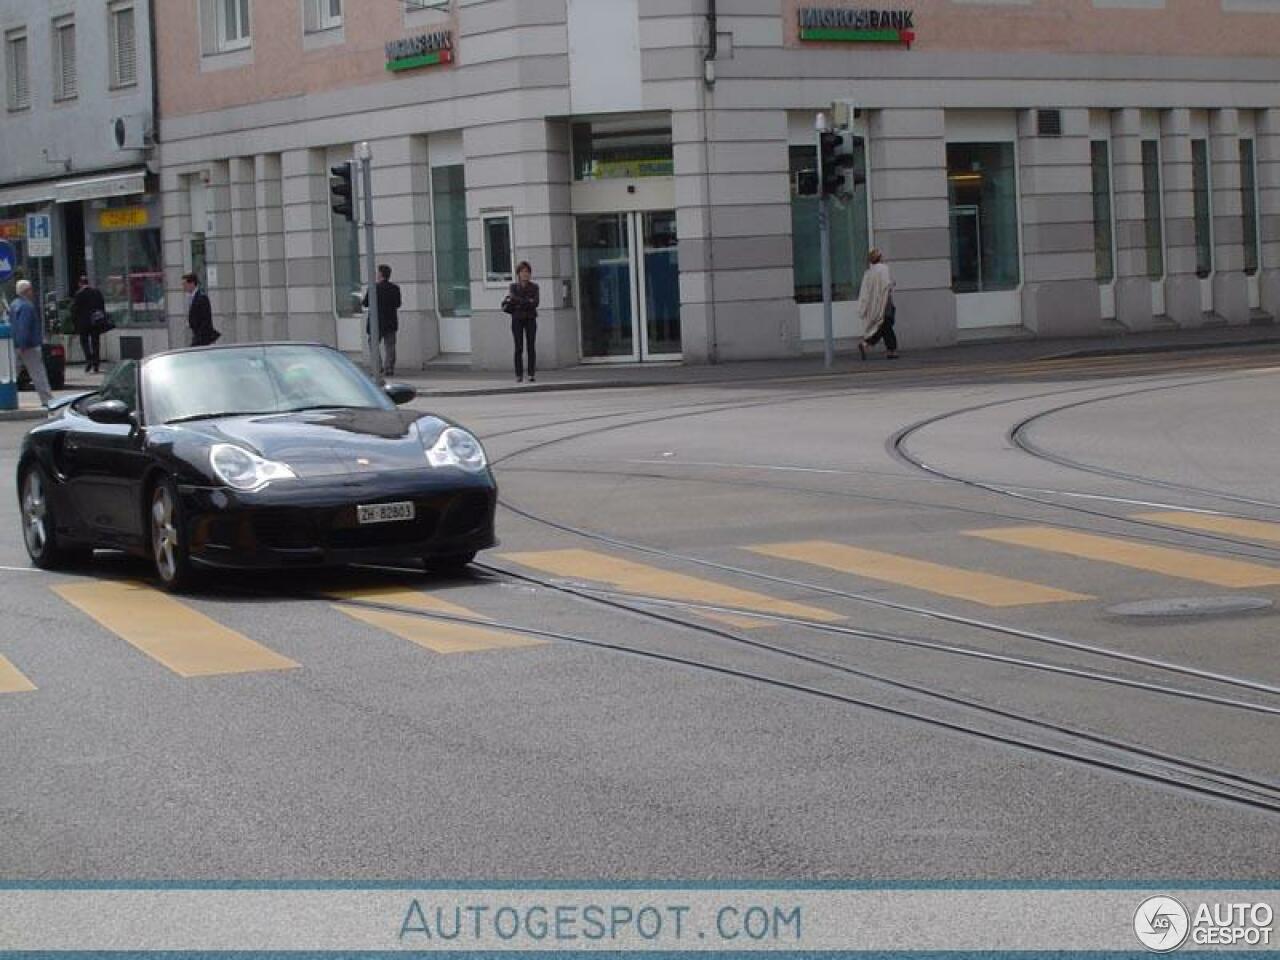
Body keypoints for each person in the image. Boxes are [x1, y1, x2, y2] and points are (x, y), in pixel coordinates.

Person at [9, 279, 54, 408]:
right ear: (26, 291)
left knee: (11, 374)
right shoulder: (27, 306)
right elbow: (24, 326)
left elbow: (14, 325)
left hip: (16, 344)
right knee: (38, 373)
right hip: (29, 346)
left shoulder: (14, 304)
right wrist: (23, 344)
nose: (32, 292)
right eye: (30, 289)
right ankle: (47, 400)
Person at [362, 264, 402, 377]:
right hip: (390, 321)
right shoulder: (395, 288)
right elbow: (398, 304)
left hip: (376, 322)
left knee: (373, 344)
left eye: (377, 272)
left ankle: (378, 367)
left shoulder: (373, 288)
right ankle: (389, 368)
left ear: (380, 274)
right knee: (390, 345)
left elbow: (365, 303)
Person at [857, 248, 897, 360]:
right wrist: (892, 284)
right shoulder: (884, 269)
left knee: (884, 325)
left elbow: (866, 291)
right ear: (880, 258)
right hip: (885, 302)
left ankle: (871, 345)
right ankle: (890, 350)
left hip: (875, 304)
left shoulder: (868, 273)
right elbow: (886, 284)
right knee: (887, 325)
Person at [504, 261, 539, 383]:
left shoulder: (534, 287)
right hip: (517, 319)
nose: (525, 274)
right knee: (518, 347)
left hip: (530, 319)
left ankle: (531, 373)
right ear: (518, 274)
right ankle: (518, 374)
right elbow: (513, 300)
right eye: (523, 272)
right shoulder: (513, 287)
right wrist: (526, 301)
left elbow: (535, 303)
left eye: (527, 272)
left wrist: (521, 302)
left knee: (531, 346)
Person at [71, 275, 106, 373]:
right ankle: (96, 363)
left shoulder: (79, 294)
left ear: (80, 284)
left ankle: (89, 359)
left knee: (84, 342)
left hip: (83, 323)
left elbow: (74, 310)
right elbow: (102, 306)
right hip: (95, 321)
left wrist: (75, 323)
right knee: (95, 342)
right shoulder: (96, 292)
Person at [183, 272, 219, 347]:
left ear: (192, 284)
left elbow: (206, 320)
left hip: (203, 338)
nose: (183, 286)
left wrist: (198, 339)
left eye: (185, 284)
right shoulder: (192, 297)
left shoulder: (202, 298)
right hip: (197, 335)